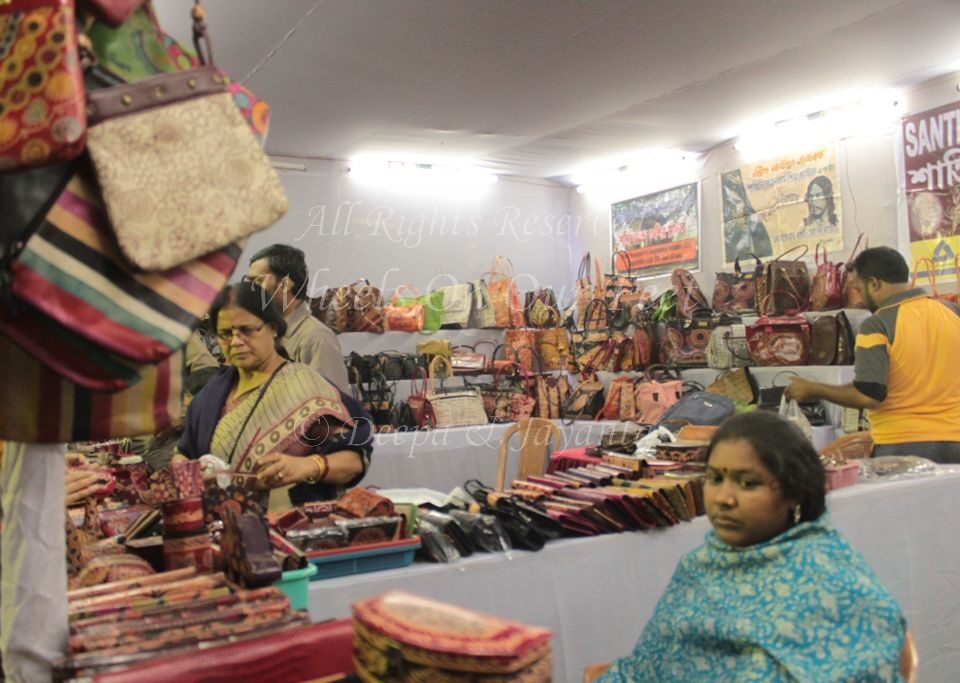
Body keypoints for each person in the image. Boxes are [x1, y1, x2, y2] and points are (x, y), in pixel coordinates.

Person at [596, 412, 906, 682]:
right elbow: (650, 667)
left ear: (794, 492)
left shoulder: (828, 574)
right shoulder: (701, 566)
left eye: (748, 484)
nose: (724, 498)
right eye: (715, 479)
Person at [173, 282, 373, 507]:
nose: (236, 342)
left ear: (274, 328)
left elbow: (354, 460)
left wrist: (306, 467)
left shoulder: (304, 386)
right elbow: (183, 452)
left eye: (247, 330)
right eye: (225, 334)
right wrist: (189, 475)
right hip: (220, 529)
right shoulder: (213, 392)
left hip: (287, 528)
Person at [786, 246, 960, 463]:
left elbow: (869, 394)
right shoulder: (952, 312)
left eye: (858, 289)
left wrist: (813, 388)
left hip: (902, 444)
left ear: (875, 283)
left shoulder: (877, 325)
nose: (858, 298)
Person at [244, 244, 350, 390]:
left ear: (285, 285)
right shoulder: (267, 333)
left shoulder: (316, 339)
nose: (250, 290)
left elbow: (331, 407)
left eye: (258, 281)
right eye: (248, 282)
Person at [721, 171, 773, 260]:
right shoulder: (727, 203)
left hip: (751, 244)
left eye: (737, 187)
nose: (736, 191)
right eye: (732, 186)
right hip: (738, 248)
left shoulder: (745, 200)